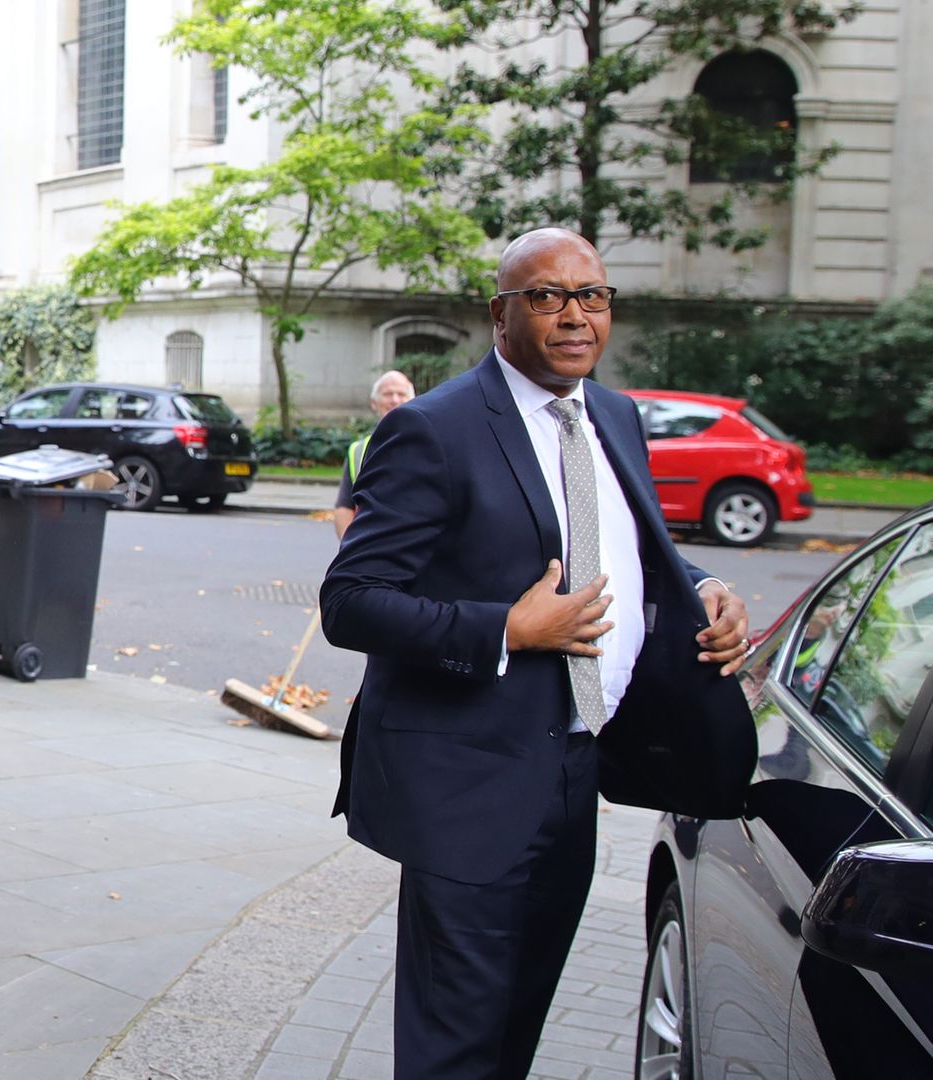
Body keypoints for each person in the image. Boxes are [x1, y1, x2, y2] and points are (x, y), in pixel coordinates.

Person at [320, 227, 756, 1079]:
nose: (574, 316)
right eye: (547, 296)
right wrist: (507, 631)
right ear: (501, 313)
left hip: (577, 770)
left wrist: (701, 585)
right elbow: (352, 601)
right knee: (457, 1045)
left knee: (518, 1023)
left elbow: (629, 547)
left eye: (591, 296)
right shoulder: (431, 430)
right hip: (466, 785)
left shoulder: (616, 415)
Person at [333, 369, 415, 539]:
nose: (394, 400)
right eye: (388, 394)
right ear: (373, 403)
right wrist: (350, 551)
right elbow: (344, 507)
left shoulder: (427, 445)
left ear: (413, 400)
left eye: (401, 394)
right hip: (371, 549)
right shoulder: (358, 451)